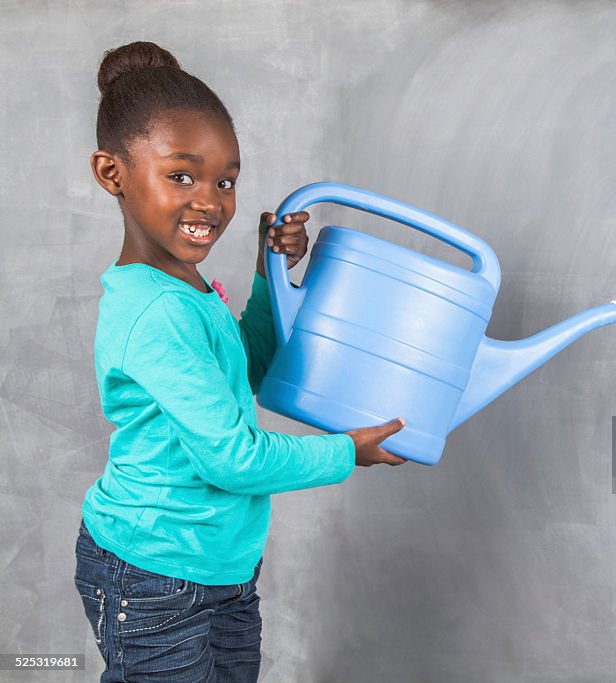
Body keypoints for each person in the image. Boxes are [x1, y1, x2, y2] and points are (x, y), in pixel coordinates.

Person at [74, 41, 405, 682]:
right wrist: (346, 451)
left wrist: (268, 270)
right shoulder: (156, 312)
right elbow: (233, 458)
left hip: (218, 566)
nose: (211, 201)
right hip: (153, 573)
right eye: (181, 175)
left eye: (225, 180)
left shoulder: (188, 292)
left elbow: (246, 368)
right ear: (112, 174)